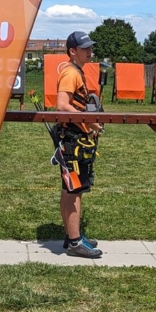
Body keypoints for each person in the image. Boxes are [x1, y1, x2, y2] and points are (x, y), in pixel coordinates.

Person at [56, 31, 103, 258]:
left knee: (70, 190)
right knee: (74, 191)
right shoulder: (70, 73)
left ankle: (72, 235)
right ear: (72, 51)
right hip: (73, 140)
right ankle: (75, 243)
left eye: (90, 47)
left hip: (74, 138)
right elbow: (62, 105)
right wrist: (90, 122)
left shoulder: (75, 71)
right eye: (85, 48)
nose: (90, 51)